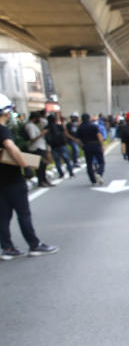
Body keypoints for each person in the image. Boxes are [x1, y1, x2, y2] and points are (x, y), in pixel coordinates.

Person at [0, 95, 58, 259]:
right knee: (23, 213)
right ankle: (34, 245)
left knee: (3, 216)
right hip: (12, 179)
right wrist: (25, 165)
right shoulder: (2, 129)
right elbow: (10, 146)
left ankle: (7, 248)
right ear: (4, 111)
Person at [76, 113, 105, 185]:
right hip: (96, 145)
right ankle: (99, 173)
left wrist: (82, 146)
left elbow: (78, 140)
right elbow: (99, 136)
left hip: (86, 146)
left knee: (89, 163)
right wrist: (102, 145)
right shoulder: (94, 126)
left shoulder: (80, 128)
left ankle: (92, 179)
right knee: (101, 162)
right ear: (89, 118)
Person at [24, 112, 51, 187]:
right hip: (36, 148)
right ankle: (41, 181)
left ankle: (44, 179)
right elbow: (32, 138)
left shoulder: (34, 125)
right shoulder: (29, 126)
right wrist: (42, 134)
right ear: (34, 118)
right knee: (40, 166)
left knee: (43, 165)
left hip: (40, 147)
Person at [46, 113, 74, 179]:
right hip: (62, 145)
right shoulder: (59, 126)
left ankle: (61, 174)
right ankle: (71, 173)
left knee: (57, 161)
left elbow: (46, 138)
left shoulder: (47, 128)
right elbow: (65, 133)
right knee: (67, 159)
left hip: (53, 147)